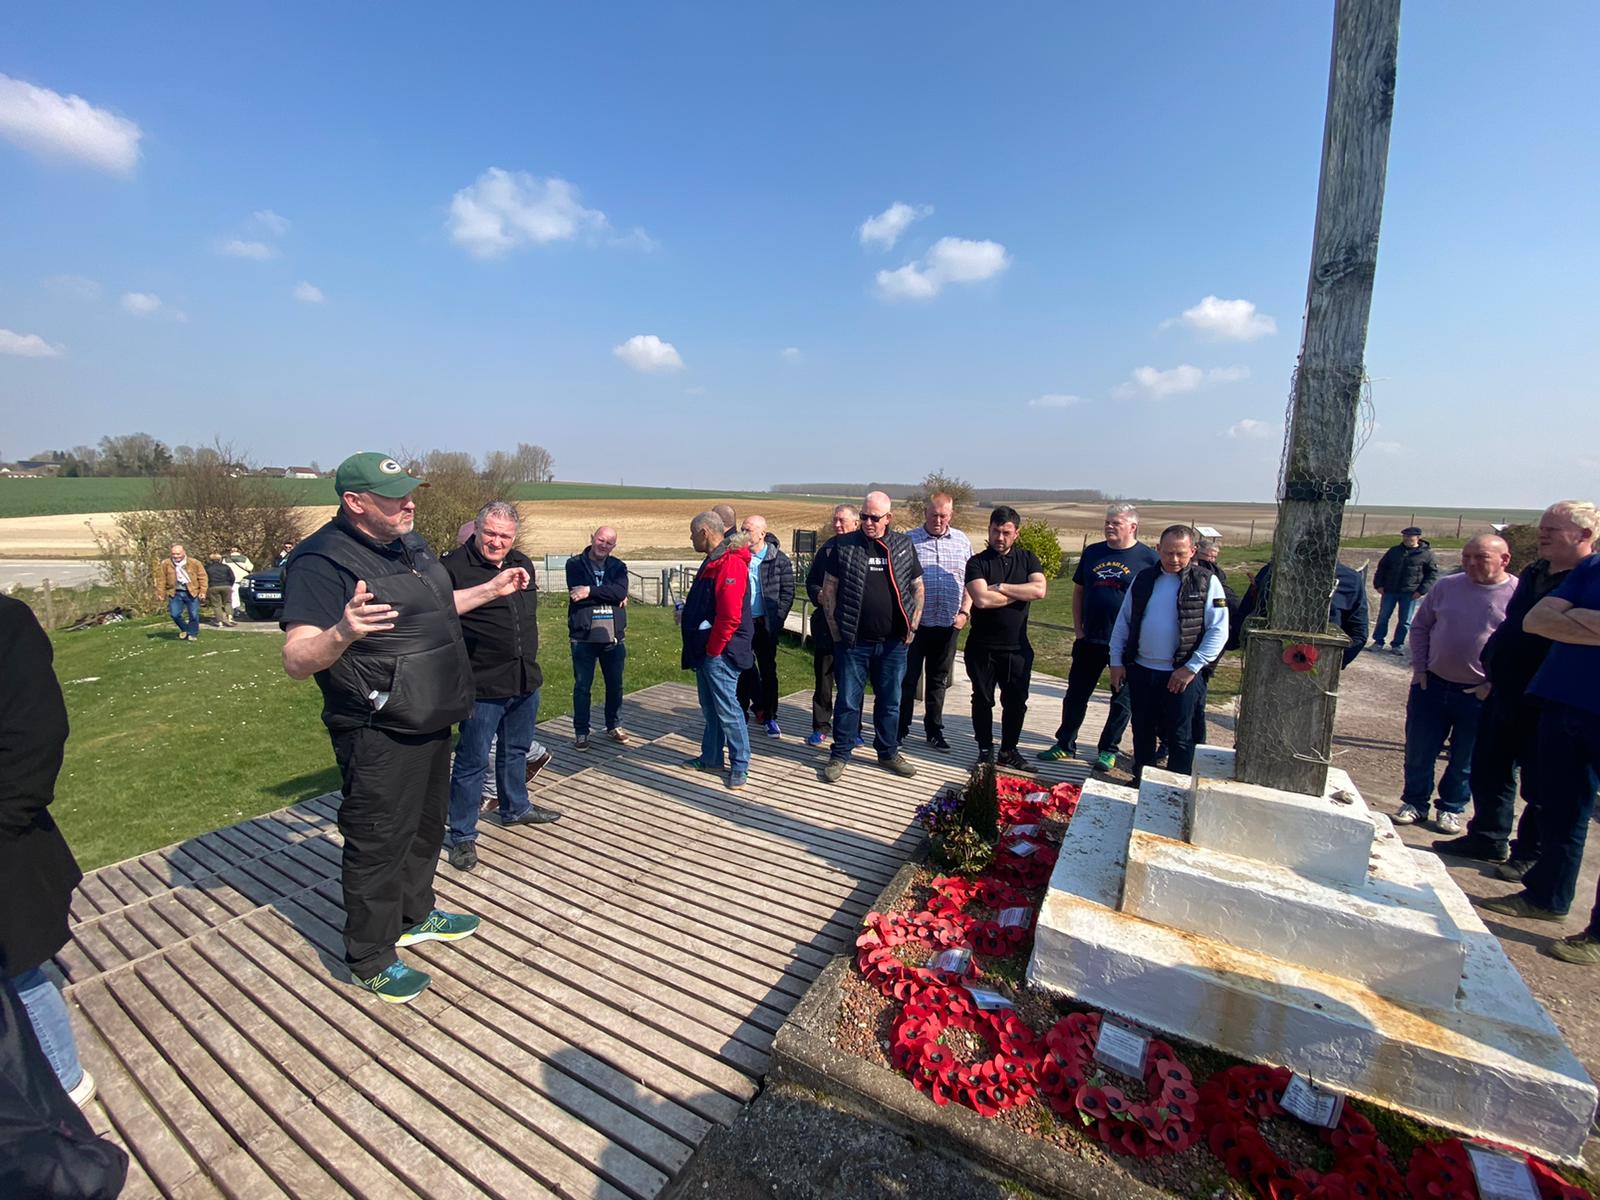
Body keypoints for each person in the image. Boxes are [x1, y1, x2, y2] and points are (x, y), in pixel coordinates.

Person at [281, 452, 530, 1004]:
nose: (410, 502)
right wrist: (343, 631)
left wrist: (491, 590)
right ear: (355, 502)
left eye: (410, 491)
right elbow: (297, 659)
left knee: (425, 825)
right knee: (378, 839)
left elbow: (438, 609)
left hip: (433, 714)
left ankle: (416, 913)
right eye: (396, 495)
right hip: (378, 726)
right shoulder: (321, 562)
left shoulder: (408, 544)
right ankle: (370, 955)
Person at [1433, 503, 1596, 872]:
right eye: (1543, 527)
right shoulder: (1537, 571)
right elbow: (1528, 623)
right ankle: (1488, 837)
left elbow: (1548, 630)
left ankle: (1529, 855)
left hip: (1544, 694)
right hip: (1504, 688)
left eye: (1553, 529)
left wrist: (1560, 621)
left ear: (1585, 535)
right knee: (1489, 767)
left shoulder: (1585, 577)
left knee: (1540, 783)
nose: (1543, 533)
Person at [1479, 532, 1600, 957]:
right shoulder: (1591, 568)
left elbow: (1556, 619)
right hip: (1566, 704)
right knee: (1561, 810)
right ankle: (1546, 898)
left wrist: (1573, 621)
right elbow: (1536, 619)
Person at [1, 595, 96, 1109]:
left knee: (18, 968)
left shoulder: (6, 622)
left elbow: (35, 739)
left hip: (7, 841)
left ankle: (64, 1086)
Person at [439, 500, 559, 873]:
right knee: (473, 760)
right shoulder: (452, 569)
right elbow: (439, 618)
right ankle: (461, 835)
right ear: (476, 530)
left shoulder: (522, 562)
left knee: (516, 750)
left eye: (505, 535)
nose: (497, 542)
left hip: (524, 677)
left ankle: (515, 807)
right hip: (482, 683)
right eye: (490, 533)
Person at [1390, 535, 1516, 835]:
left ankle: (1450, 808)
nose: (1471, 563)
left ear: (1504, 559)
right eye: (1466, 557)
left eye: (1481, 557)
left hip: (1478, 694)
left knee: (1465, 757)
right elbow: (1420, 627)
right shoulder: (1447, 586)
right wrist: (1420, 669)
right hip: (1431, 685)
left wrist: (1492, 683)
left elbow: (1519, 648)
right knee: (1419, 749)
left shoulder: (1517, 593)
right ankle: (1415, 803)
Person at [1038, 503, 1159, 771]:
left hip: (1127, 646)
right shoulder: (1093, 553)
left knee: (1121, 700)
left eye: (1116, 523)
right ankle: (1065, 744)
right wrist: (1079, 630)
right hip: (1090, 639)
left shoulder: (1148, 559)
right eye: (1107, 522)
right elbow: (1079, 591)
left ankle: (1108, 749)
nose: (1109, 526)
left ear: (1132, 527)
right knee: (1076, 695)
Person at [817, 491, 923, 783]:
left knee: (890, 701)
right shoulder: (844, 545)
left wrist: (912, 627)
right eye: (864, 516)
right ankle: (840, 754)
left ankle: (888, 752)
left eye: (874, 518)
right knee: (848, 702)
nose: (867, 522)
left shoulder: (902, 545)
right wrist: (837, 632)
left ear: (888, 518)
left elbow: (917, 587)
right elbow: (829, 591)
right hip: (854, 643)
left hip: (893, 644)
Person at [1109, 525, 1229, 781]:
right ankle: (1142, 780)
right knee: (1142, 729)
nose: (1174, 559)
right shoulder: (1143, 579)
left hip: (1182, 674)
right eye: (1168, 553)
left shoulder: (1207, 581)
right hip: (1142, 670)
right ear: (1158, 550)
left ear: (1193, 551)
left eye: (1181, 554)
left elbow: (1218, 630)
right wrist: (1116, 661)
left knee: (1180, 735)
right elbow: (1124, 622)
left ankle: (1176, 786)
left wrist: (1191, 667)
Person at [964, 505, 1048, 769]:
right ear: (989, 529)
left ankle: (1009, 750)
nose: (1000, 537)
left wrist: (1002, 587)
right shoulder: (977, 562)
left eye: (1006, 532)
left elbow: (1039, 590)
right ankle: (985, 749)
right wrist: (1019, 592)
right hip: (982, 647)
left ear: (1016, 533)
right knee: (982, 699)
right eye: (995, 531)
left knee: (1016, 703)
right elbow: (982, 599)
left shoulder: (1028, 559)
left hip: (1017, 648)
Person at [679, 511, 755, 789]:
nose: (690, 538)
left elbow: (730, 616)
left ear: (704, 533)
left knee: (727, 709)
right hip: (706, 650)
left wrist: (713, 650)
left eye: (691, 533)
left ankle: (740, 764)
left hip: (721, 652)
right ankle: (711, 757)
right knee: (710, 708)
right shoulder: (713, 561)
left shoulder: (731, 563)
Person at [900, 493, 973, 751]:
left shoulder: (962, 541)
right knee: (907, 678)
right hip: (915, 624)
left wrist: (964, 612)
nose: (938, 520)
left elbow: (971, 581)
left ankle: (934, 729)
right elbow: (899, 581)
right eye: (934, 515)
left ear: (951, 515)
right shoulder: (910, 540)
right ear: (925, 514)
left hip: (948, 624)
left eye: (943, 516)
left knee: (937, 679)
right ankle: (900, 728)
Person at [1234, 558, 1370, 666]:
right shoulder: (1272, 572)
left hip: (1322, 667)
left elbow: (1358, 632)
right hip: (1268, 660)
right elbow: (1246, 614)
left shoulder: (1350, 580)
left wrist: (1333, 662)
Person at [567, 526, 632, 751]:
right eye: (601, 540)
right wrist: (611, 594)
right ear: (592, 538)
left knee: (615, 685)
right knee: (583, 686)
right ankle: (581, 732)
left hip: (613, 636)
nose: (604, 545)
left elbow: (620, 591)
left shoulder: (618, 566)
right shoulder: (574, 564)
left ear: (614, 546)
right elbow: (577, 594)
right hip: (583, 636)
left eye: (609, 543)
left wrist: (590, 591)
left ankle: (614, 725)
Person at [737, 515, 796, 736]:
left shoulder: (777, 559)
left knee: (768, 670)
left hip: (765, 624)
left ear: (762, 534)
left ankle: (770, 716)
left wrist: (777, 619)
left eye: (748, 530)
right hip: (742, 624)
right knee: (741, 668)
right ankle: (741, 712)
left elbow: (787, 592)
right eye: (742, 529)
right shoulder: (737, 557)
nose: (743, 534)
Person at [805, 505, 859, 747]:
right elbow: (812, 582)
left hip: (854, 628)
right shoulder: (826, 550)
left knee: (851, 682)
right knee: (824, 680)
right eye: (835, 520)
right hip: (826, 625)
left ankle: (852, 730)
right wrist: (818, 594)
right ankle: (821, 726)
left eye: (842, 521)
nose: (837, 525)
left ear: (856, 523)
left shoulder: (863, 549)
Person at [1370, 526, 1438, 653]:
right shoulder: (1394, 551)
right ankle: (1378, 641)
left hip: (1410, 593)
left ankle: (1397, 645)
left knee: (1405, 620)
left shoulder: (1426, 554)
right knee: (1383, 617)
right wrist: (1378, 585)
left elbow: (1432, 574)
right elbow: (1382, 568)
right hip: (1390, 590)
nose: (1406, 539)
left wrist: (1421, 591)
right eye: (1405, 536)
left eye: (1409, 536)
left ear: (1417, 538)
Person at [158, 542, 204, 640]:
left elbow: (202, 577)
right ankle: (185, 629)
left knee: (193, 614)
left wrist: (202, 591)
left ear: (183, 553)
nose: (176, 556)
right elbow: (161, 579)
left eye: (178, 554)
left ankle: (192, 634)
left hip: (191, 591)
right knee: (174, 614)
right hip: (175, 592)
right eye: (174, 554)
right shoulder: (166, 563)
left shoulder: (194, 563)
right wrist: (161, 593)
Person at [203, 552, 236, 627]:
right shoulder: (226, 567)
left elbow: (204, 578)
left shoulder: (207, 567)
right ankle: (230, 617)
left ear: (210, 559)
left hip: (213, 586)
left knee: (216, 605)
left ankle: (220, 621)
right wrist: (230, 585)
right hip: (226, 586)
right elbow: (232, 577)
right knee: (228, 602)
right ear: (220, 559)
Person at [224, 544, 254, 616]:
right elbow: (250, 567)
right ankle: (245, 609)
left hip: (232, 579)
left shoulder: (226, 559)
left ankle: (236, 610)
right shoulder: (244, 558)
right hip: (243, 578)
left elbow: (224, 568)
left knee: (234, 595)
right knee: (244, 594)